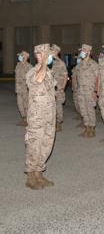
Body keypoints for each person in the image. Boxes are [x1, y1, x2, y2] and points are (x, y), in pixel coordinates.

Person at [24, 43, 57, 190]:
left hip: (49, 116)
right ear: (39, 55)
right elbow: (38, 80)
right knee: (34, 145)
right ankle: (31, 177)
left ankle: (39, 174)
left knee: (46, 145)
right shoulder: (32, 72)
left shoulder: (49, 72)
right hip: (37, 117)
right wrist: (43, 63)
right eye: (48, 54)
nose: (51, 57)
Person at [76, 44, 99, 138]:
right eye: (81, 50)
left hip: (90, 91)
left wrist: (95, 91)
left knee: (90, 110)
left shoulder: (94, 64)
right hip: (81, 91)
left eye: (84, 50)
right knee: (83, 110)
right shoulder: (80, 64)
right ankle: (86, 128)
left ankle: (92, 129)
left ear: (89, 52)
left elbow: (98, 78)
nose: (82, 52)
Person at [50, 44, 68, 132]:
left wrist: (62, 88)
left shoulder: (61, 63)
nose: (51, 51)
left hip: (58, 88)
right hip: (49, 89)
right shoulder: (48, 62)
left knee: (58, 107)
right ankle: (51, 123)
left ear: (56, 51)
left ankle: (59, 123)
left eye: (52, 50)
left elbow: (65, 76)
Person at [15, 50, 32, 127]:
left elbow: (31, 79)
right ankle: (24, 117)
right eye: (20, 56)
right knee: (19, 104)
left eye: (21, 56)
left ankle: (27, 120)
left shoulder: (29, 67)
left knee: (26, 105)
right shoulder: (18, 65)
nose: (20, 57)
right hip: (18, 89)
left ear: (26, 57)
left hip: (26, 89)